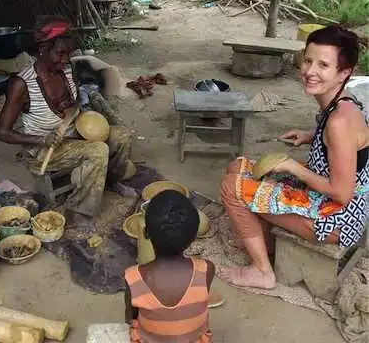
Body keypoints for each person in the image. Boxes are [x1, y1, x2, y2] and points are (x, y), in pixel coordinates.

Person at [220, 25, 369, 289]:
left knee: (231, 187)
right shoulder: (343, 100)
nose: (310, 71)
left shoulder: (340, 121)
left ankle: (262, 271)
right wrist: (311, 136)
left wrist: (294, 168)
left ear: (345, 72)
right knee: (238, 165)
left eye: (323, 65)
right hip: (333, 198)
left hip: (336, 218)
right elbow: (349, 145)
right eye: (309, 60)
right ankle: (264, 237)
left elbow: (342, 193)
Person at [0, 17, 135, 217]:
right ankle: (79, 210)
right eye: (59, 53)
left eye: (68, 54)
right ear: (43, 48)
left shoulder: (68, 70)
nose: (64, 60)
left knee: (122, 136)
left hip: (72, 134)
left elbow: (74, 104)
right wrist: (41, 140)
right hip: (43, 149)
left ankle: (109, 182)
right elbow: (2, 132)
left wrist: (84, 115)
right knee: (98, 150)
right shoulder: (22, 84)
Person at [124, 190, 215, 342]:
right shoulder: (206, 270)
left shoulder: (133, 278)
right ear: (193, 238)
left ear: (146, 233)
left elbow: (131, 317)